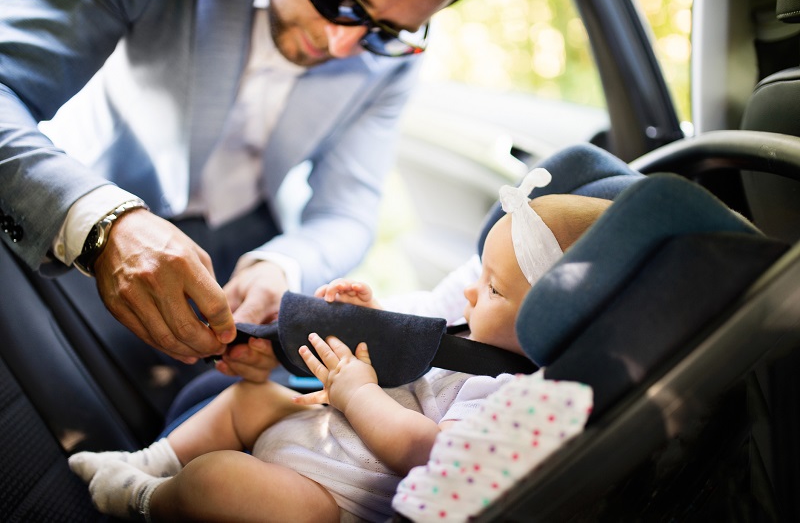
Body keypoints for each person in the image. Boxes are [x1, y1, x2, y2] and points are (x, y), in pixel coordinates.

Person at [68, 169, 612, 522]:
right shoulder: (471, 328)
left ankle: (139, 498)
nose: (471, 289)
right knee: (249, 398)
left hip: (327, 500)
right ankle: (148, 460)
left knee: (218, 482)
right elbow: (415, 353)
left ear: (552, 321)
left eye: (492, 288)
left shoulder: (508, 397)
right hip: (317, 430)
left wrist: (355, 396)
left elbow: (426, 450)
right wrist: (370, 319)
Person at [0, 0, 468, 381]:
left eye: (384, 32)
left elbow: (347, 212)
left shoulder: (393, 65)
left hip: (250, 237)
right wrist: (103, 224)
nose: (342, 44)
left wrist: (281, 265)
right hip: (85, 199)